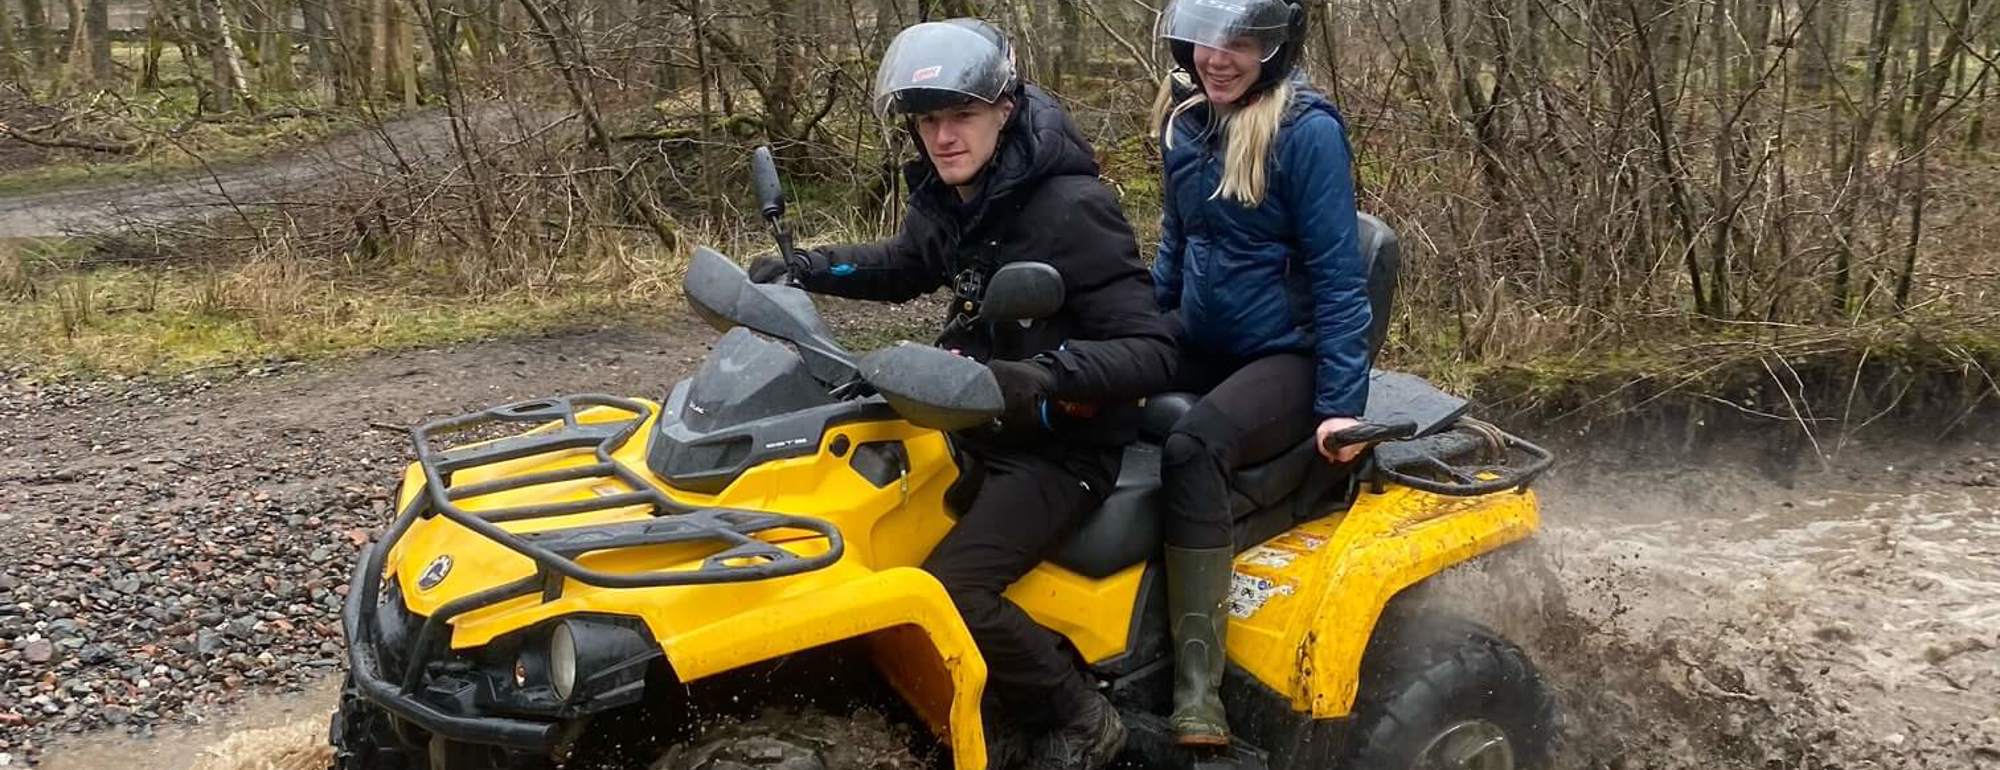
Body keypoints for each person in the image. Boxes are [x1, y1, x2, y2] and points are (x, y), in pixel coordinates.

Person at [747, 19, 1174, 770]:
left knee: (950, 587)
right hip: (976, 425)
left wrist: (1043, 376)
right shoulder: (960, 193)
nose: (943, 137)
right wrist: (810, 268)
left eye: (961, 117)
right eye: (928, 121)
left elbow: (1151, 350)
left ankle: (1081, 716)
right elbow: (910, 262)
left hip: (1060, 446)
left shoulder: (1071, 207)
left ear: (1004, 110)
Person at [1146, 0, 1374, 749]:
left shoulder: (1305, 133)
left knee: (1191, 446)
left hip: (1287, 353)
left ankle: (1197, 689)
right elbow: (1177, 247)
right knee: (1098, 382)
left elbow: (1341, 279)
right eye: (1209, 39)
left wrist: (1341, 407)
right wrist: (1138, 337)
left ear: (1273, 49)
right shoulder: (1187, 123)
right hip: (1205, 333)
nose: (1219, 56)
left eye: (1240, 42)